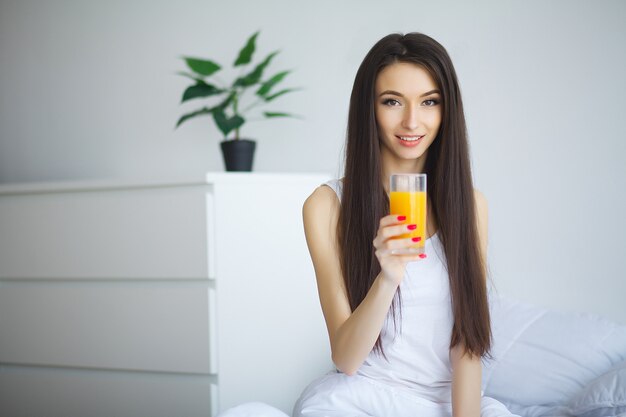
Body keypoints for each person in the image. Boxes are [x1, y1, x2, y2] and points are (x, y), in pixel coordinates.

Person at [292, 33, 519, 417]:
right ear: (369, 109)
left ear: (447, 111)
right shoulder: (327, 205)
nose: (412, 121)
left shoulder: (471, 206)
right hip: (363, 394)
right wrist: (387, 278)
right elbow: (346, 359)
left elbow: (467, 344)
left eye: (429, 102)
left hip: (446, 402)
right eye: (392, 101)